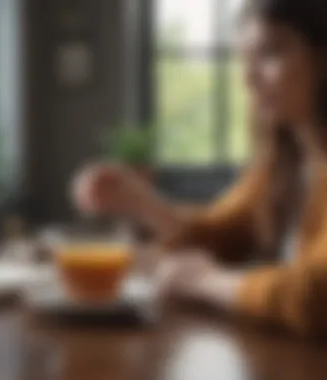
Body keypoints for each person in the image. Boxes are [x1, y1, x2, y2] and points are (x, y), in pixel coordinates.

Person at [74, 0, 327, 337]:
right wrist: (141, 202)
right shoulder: (281, 166)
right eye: (246, 60)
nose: (248, 78)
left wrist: (203, 280)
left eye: (270, 53)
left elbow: (315, 296)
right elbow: (221, 236)